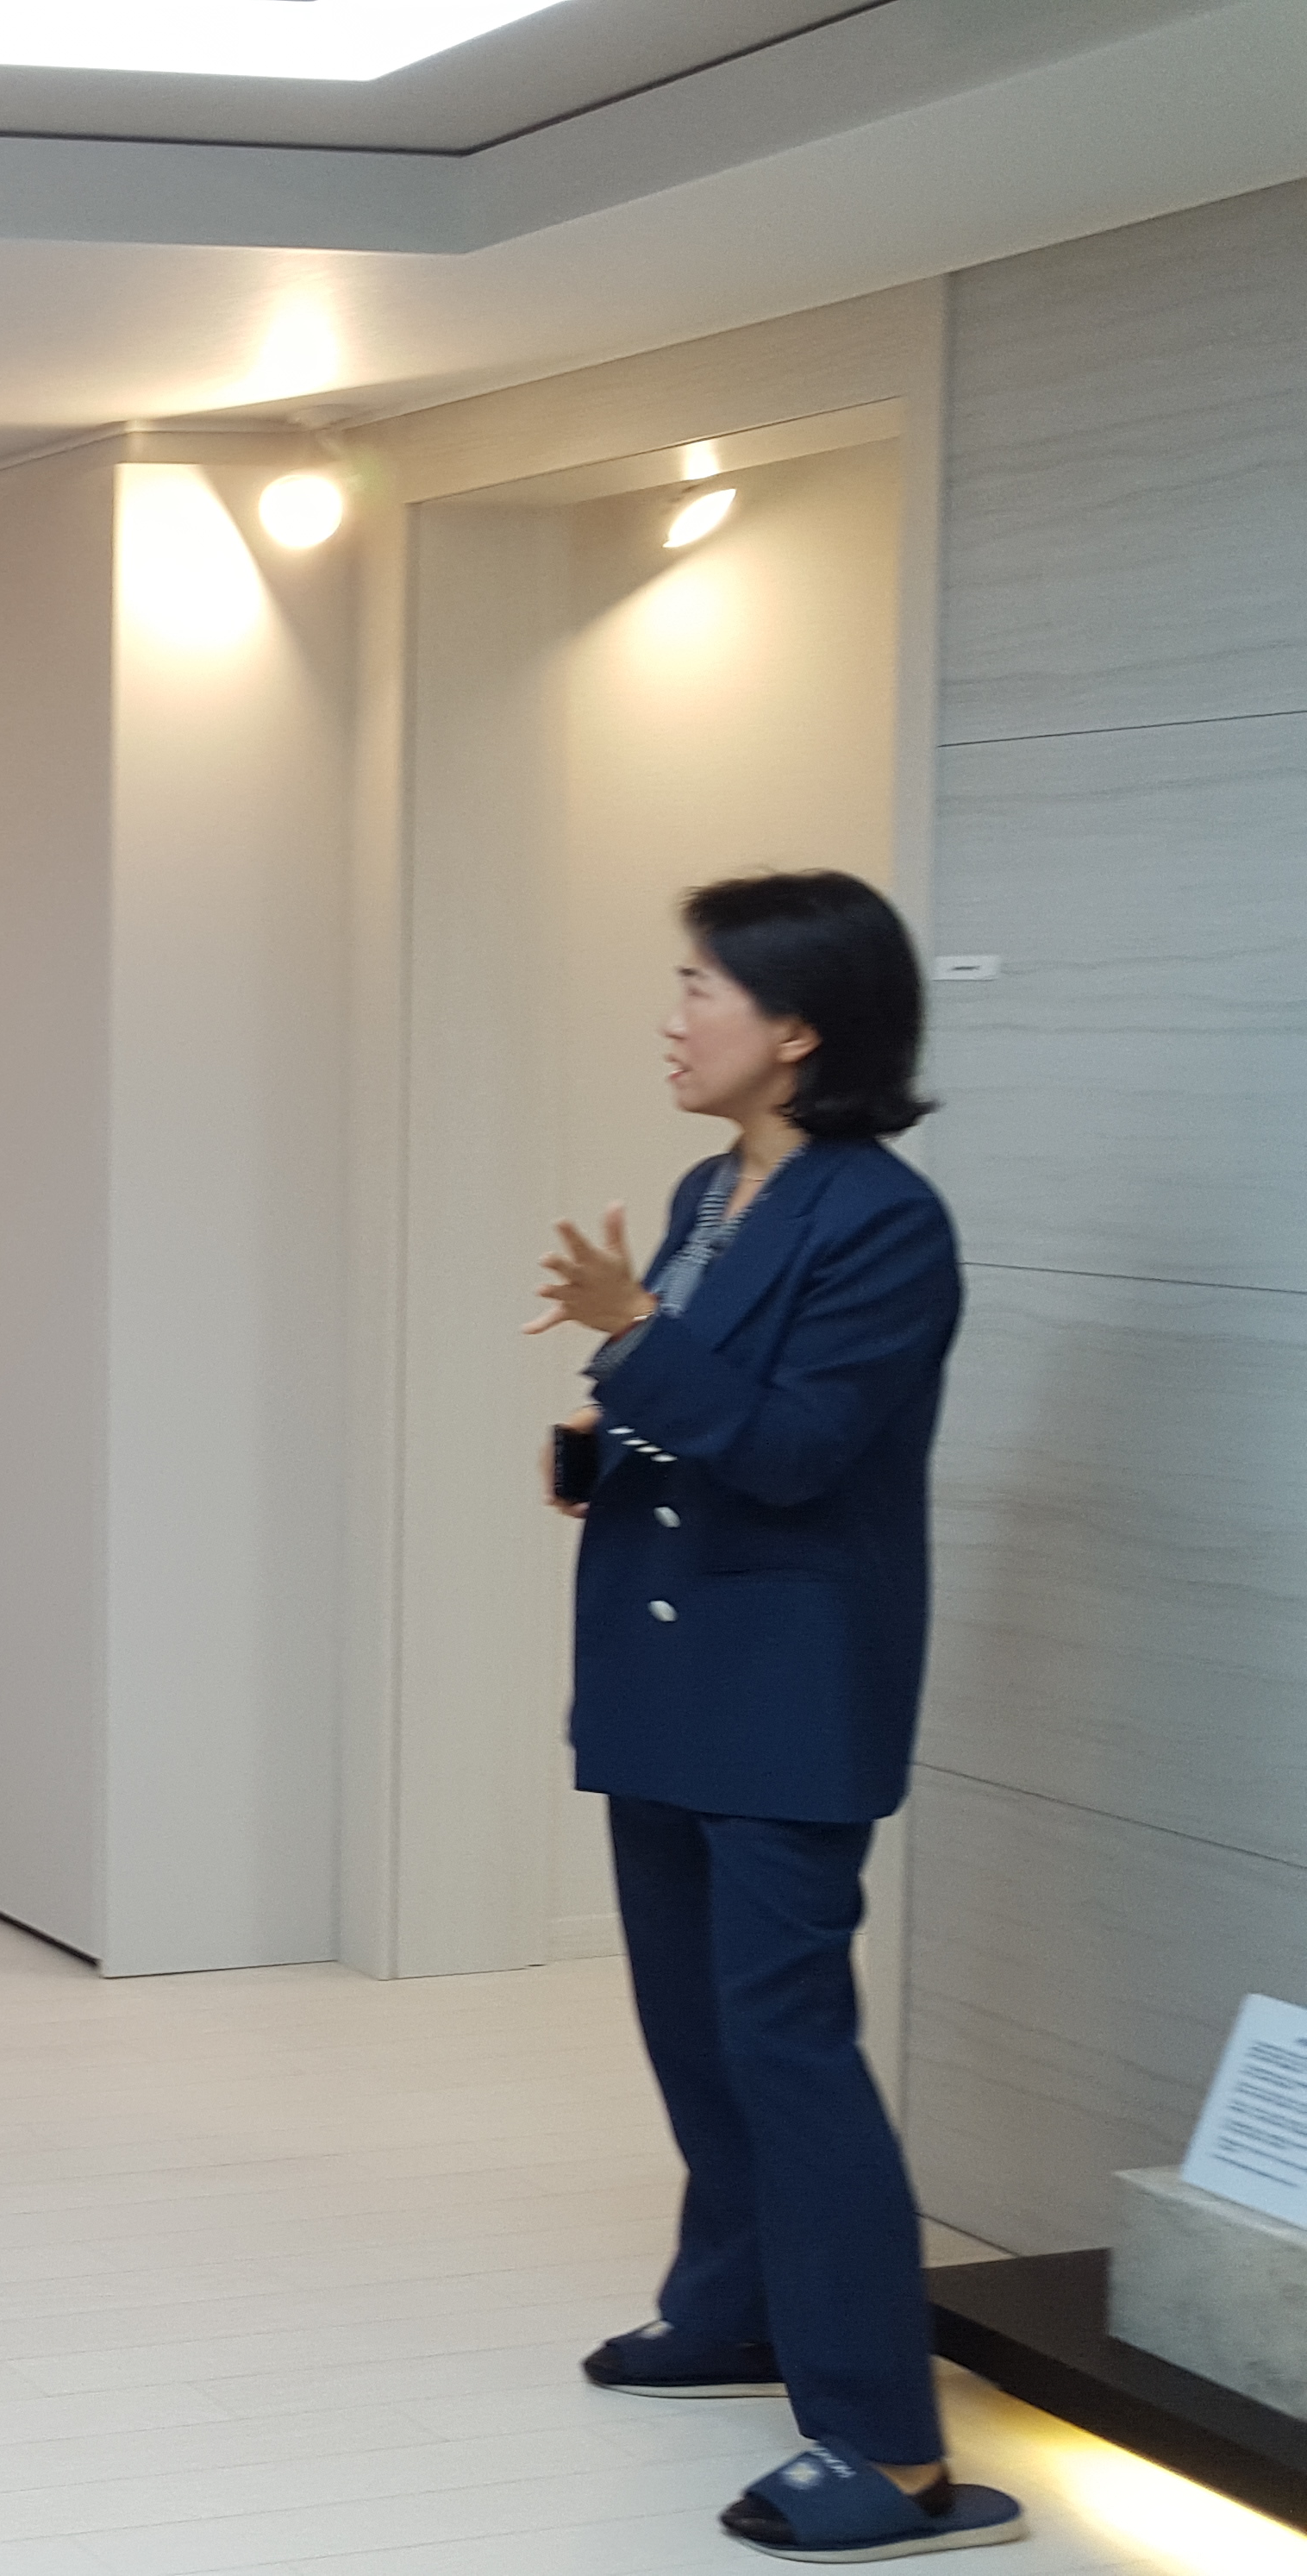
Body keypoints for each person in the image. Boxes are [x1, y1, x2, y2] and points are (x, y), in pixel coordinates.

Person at [529, 869, 1013, 2564]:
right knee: (695, 2029)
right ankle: (733, 2310)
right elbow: (706, 1406)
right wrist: (600, 1438)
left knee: (788, 2046)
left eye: (699, 988)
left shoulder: (884, 1220)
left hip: (786, 1688)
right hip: (667, 1666)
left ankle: (891, 2448)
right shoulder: (707, 1184)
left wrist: (632, 1335)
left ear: (797, 1027)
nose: (672, 1018)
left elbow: (803, 1448)